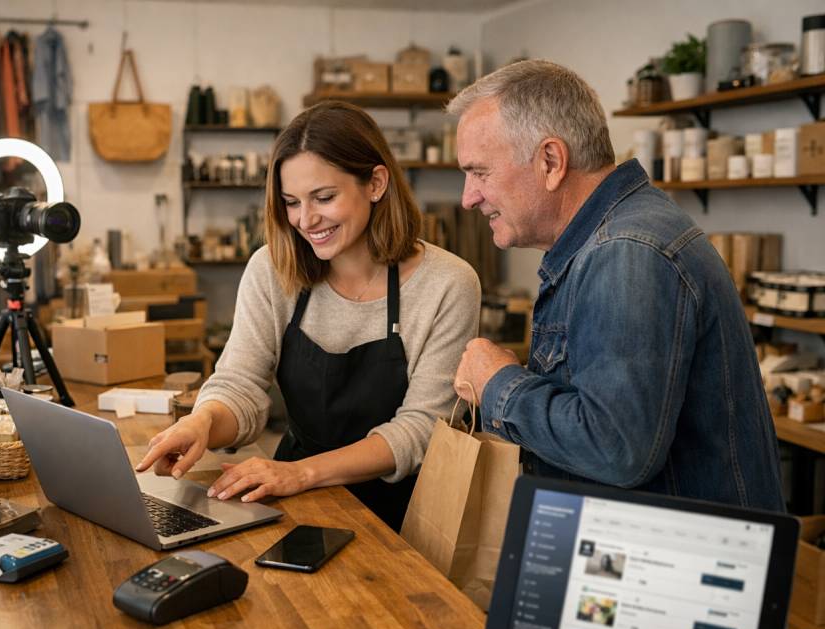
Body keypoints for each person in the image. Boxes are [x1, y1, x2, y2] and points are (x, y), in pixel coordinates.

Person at [449, 59, 784, 511]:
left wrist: (498, 385)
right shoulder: (610, 239)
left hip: (680, 568)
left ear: (550, 160)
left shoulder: (626, 251)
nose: (468, 197)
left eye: (480, 172)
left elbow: (616, 448)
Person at [136, 101, 482, 530]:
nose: (305, 219)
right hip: (293, 500)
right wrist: (203, 423)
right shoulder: (272, 268)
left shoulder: (448, 283)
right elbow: (240, 384)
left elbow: (421, 431)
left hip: (404, 515)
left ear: (375, 183)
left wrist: (302, 473)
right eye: (290, 202)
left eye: (324, 197)